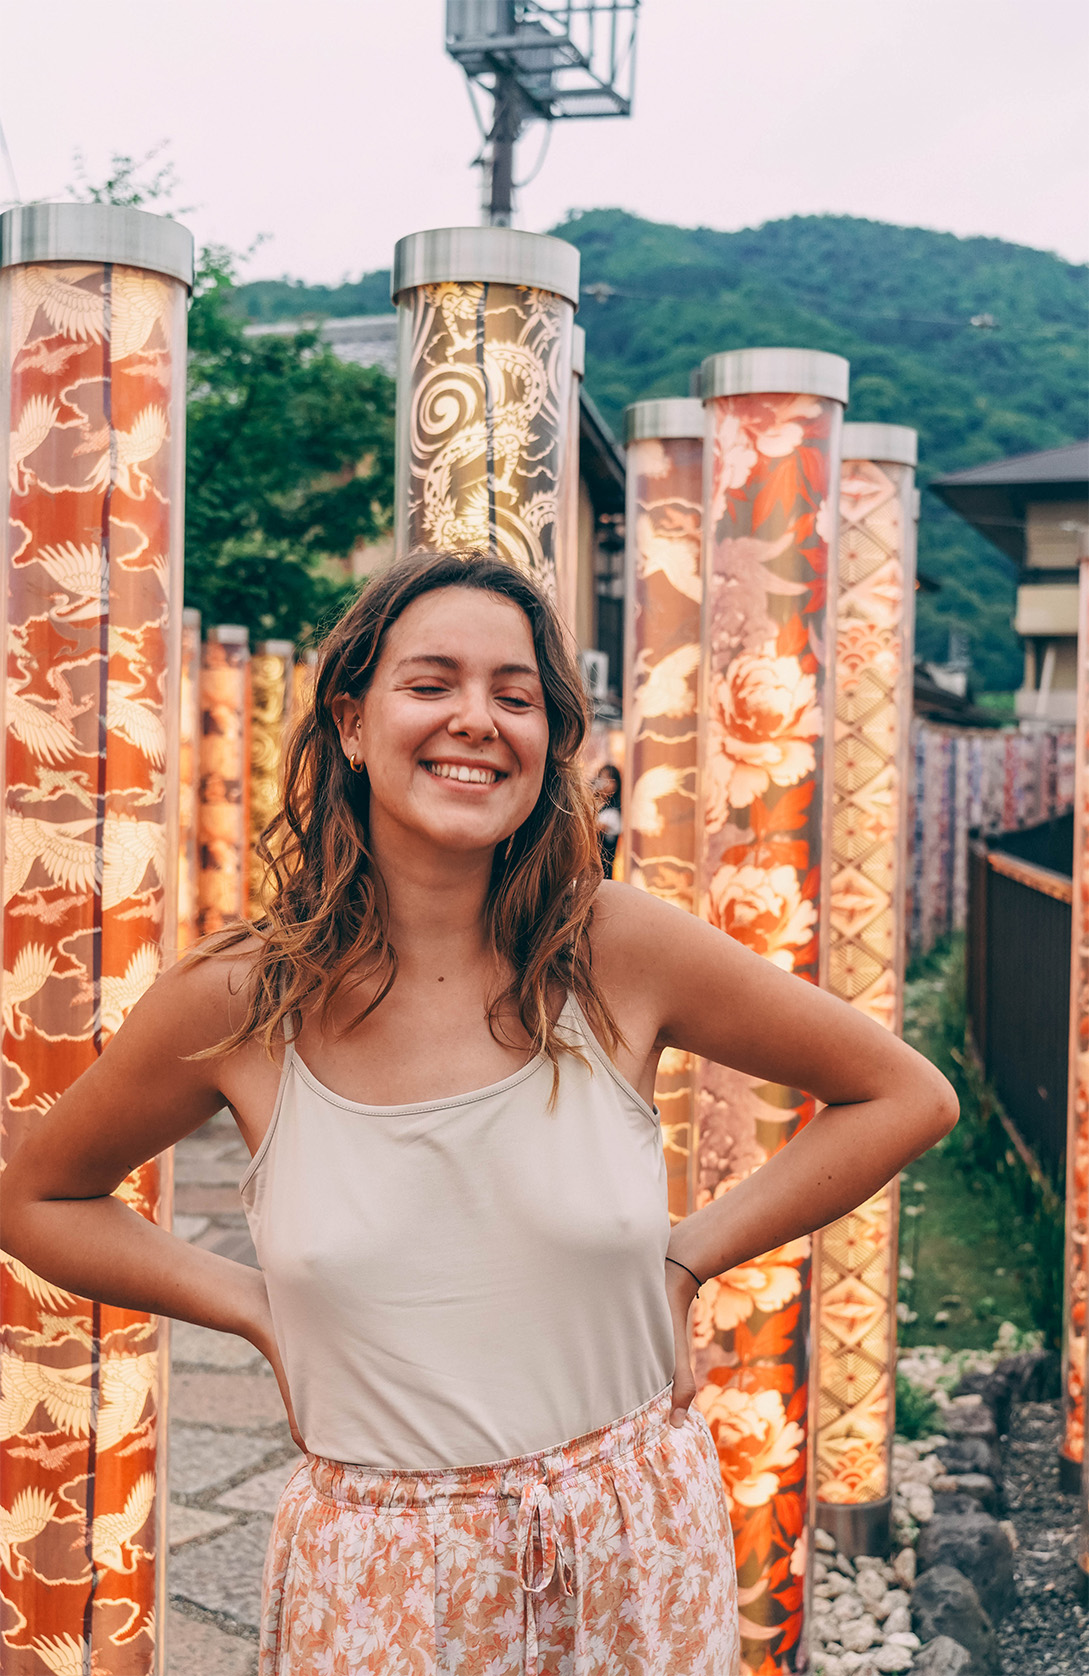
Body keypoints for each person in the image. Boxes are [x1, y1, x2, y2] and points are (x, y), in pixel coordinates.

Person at [2, 550, 957, 1675]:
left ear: (548, 740)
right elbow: (37, 1194)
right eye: (432, 683)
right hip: (380, 1573)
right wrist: (261, 1310)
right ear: (352, 723)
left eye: (517, 696)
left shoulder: (616, 946)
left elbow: (905, 1093)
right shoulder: (246, 996)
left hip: (630, 1536)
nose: (477, 720)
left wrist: (688, 1257)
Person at [592, 762, 622, 878]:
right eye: (603, 778)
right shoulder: (599, 806)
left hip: (604, 874)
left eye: (610, 780)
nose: (605, 784)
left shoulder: (613, 812)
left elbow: (593, 829)